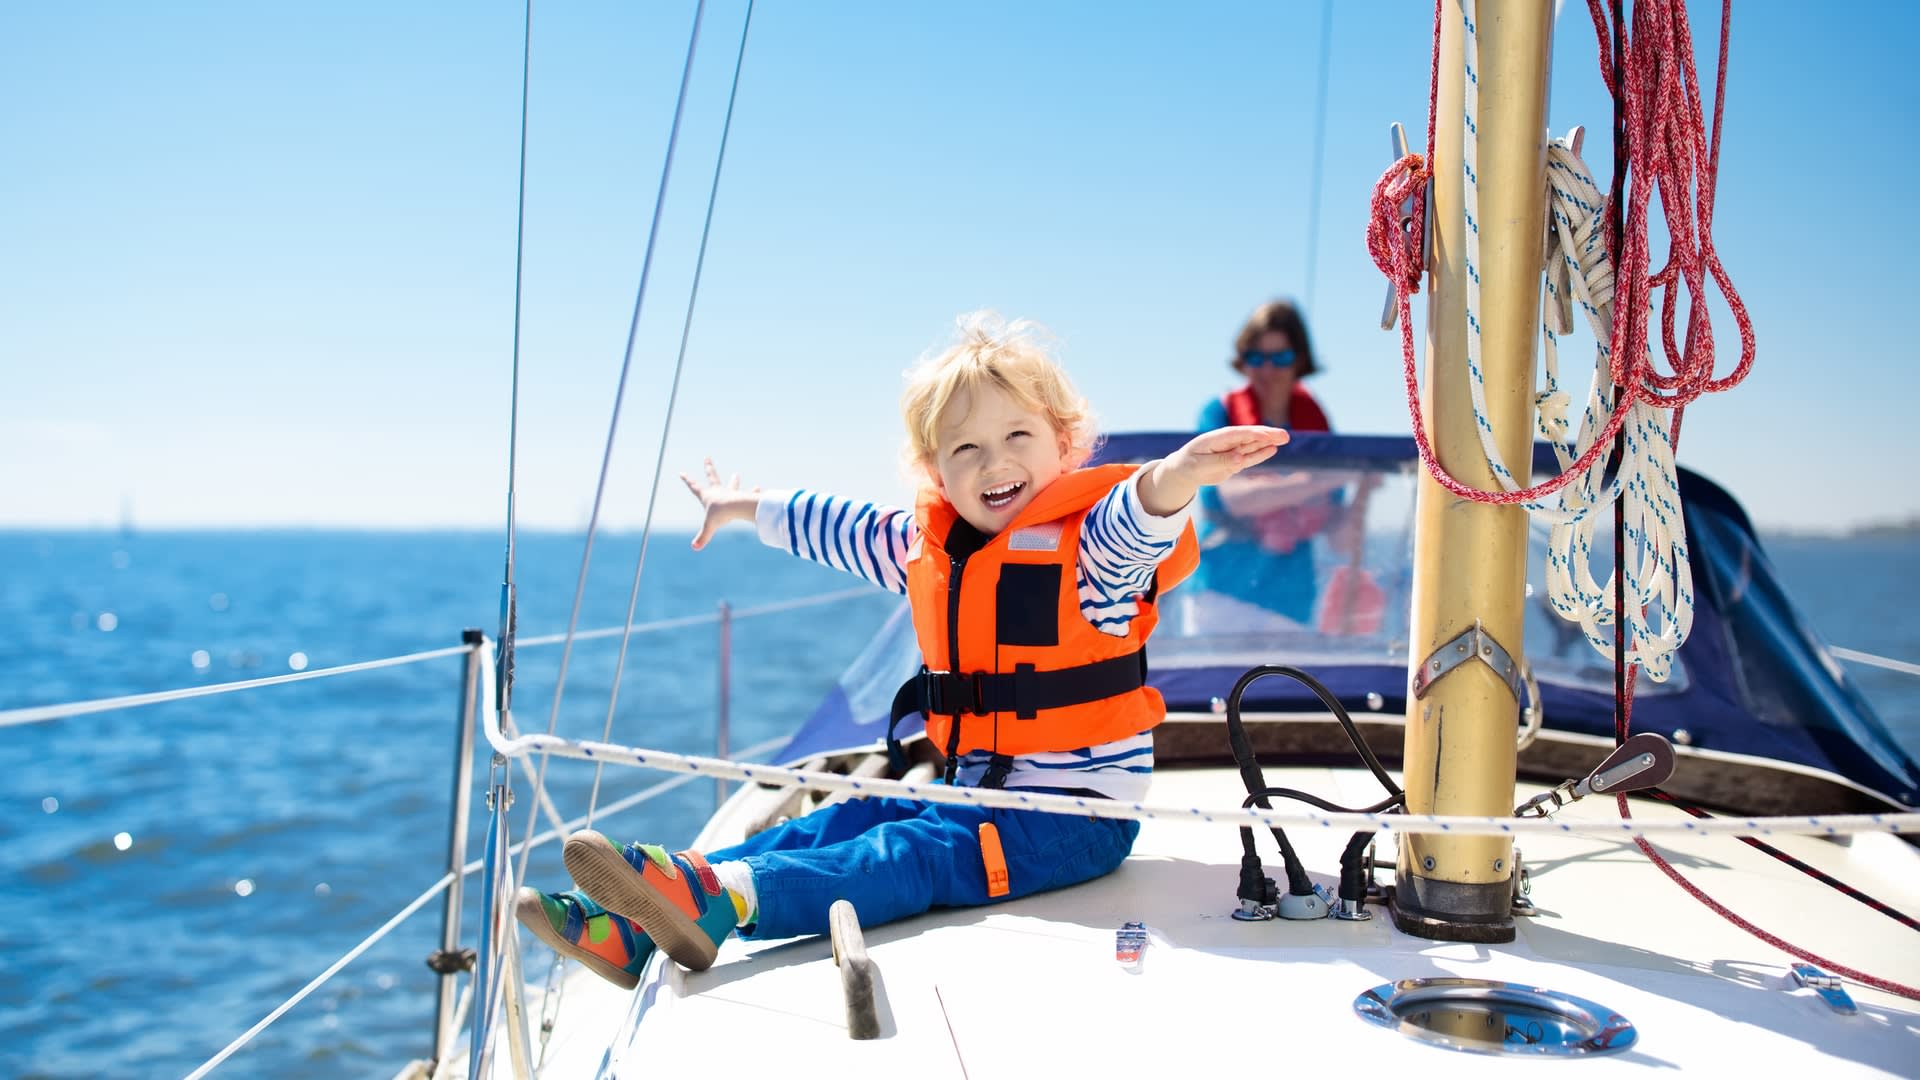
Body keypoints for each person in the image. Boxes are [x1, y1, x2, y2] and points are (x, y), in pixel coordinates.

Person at [514, 311, 1288, 987]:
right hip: (973, 785)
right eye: (966, 449)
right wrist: (743, 505)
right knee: (843, 818)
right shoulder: (929, 545)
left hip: (1071, 819)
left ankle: (733, 898)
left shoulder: (1093, 561)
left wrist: (1183, 472)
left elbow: (1139, 515)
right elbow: (838, 524)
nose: (994, 462)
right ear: (936, 472)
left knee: (907, 854)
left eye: (1017, 436)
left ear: (1064, 445)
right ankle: (644, 924)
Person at [1190, 299, 1337, 627]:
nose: (1267, 370)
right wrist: (1322, 480)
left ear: (1299, 362)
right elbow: (1236, 498)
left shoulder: (1317, 425)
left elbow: (1337, 527)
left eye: (1280, 358)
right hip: (1221, 595)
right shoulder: (1219, 414)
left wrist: (1363, 492)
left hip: (1293, 600)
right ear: (1243, 362)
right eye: (1256, 357)